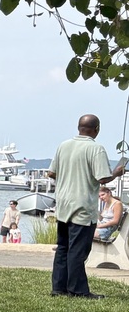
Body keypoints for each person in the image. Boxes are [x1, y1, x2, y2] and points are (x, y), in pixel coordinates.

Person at [45, 114, 125, 298]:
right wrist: (116, 173)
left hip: (64, 204)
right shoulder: (96, 149)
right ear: (97, 129)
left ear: (78, 127)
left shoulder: (63, 146)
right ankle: (78, 290)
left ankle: (58, 288)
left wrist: (69, 177)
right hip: (82, 206)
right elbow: (102, 178)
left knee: (63, 246)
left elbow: (51, 173)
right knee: (78, 250)